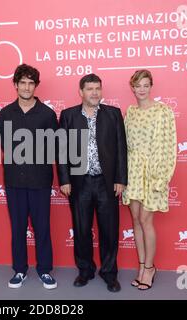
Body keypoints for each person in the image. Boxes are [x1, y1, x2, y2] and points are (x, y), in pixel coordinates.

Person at [57, 73, 127, 293]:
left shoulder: (113, 114)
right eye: (90, 89)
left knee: (109, 231)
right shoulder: (68, 115)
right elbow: (61, 150)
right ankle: (85, 270)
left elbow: (121, 149)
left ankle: (109, 273)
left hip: (106, 184)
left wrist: (120, 179)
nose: (94, 92)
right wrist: (65, 179)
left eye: (97, 88)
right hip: (80, 183)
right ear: (81, 92)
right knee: (81, 230)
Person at [0, 64, 59, 289]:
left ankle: (44, 270)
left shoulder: (47, 114)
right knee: (18, 227)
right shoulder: (5, 113)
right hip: (14, 181)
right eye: (22, 82)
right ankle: (20, 270)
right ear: (15, 85)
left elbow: (55, 147)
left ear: (36, 85)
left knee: (42, 227)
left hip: (40, 181)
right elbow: (3, 145)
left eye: (31, 82)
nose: (26, 87)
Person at [122, 69, 177, 290]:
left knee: (146, 220)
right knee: (135, 219)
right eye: (138, 86)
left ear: (150, 86)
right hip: (133, 171)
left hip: (153, 171)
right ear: (132, 88)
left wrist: (160, 177)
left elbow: (168, 146)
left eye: (146, 85)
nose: (142, 89)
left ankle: (151, 268)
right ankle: (142, 265)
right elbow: (125, 145)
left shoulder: (164, 111)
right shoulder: (131, 112)